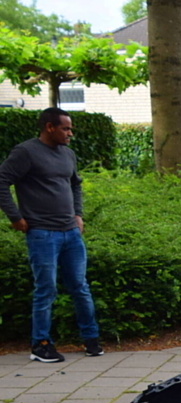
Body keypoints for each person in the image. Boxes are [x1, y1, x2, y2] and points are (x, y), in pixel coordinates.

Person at [0, 107, 103, 363]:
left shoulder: (68, 154)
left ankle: (91, 339)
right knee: (46, 290)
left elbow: (75, 184)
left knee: (80, 287)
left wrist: (78, 214)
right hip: (42, 234)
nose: (70, 134)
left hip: (71, 234)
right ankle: (41, 345)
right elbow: (1, 181)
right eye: (65, 129)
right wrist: (15, 217)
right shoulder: (26, 152)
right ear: (49, 127)